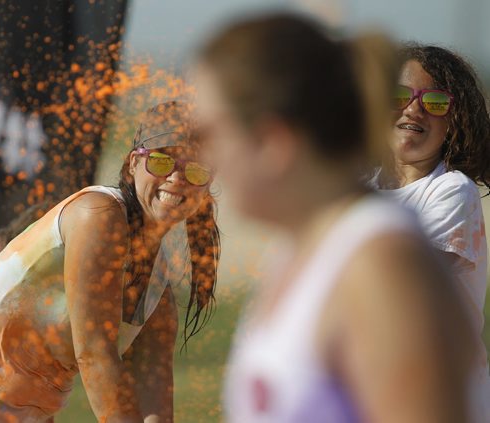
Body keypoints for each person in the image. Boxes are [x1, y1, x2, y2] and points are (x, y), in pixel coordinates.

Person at [193, 13, 477, 423]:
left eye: (209, 134)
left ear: (273, 142)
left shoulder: (378, 265)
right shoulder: (304, 243)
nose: (202, 157)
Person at [0, 100, 220, 422]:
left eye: (196, 169)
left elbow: (154, 409)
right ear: (131, 165)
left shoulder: (159, 295)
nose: (177, 177)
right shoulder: (97, 215)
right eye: (161, 160)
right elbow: (95, 356)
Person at [368, 44, 490, 421]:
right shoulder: (362, 185)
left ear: (455, 119)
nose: (413, 109)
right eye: (398, 96)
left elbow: (398, 290)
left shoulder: (452, 190)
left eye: (435, 102)